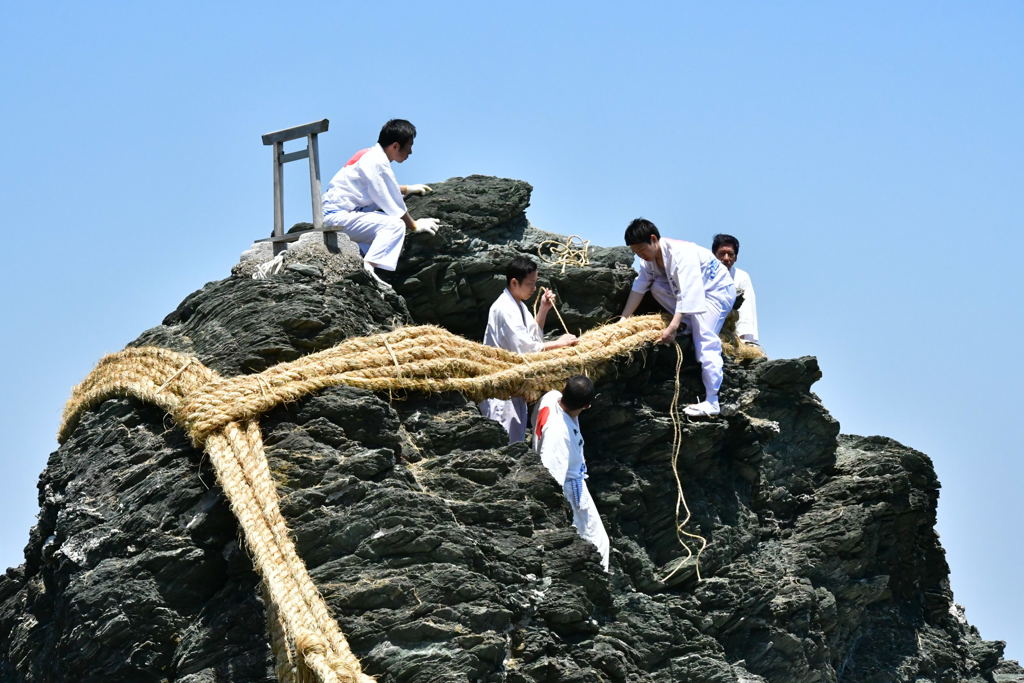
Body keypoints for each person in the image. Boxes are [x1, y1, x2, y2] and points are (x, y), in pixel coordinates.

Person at [620, 218, 736, 417]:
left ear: (653, 239)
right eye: (636, 252)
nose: (640, 256)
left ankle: (712, 400)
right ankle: (688, 325)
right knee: (656, 287)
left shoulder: (682, 254)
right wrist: (623, 319)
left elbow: (689, 294)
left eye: (641, 250)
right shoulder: (649, 259)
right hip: (690, 293)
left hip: (716, 291)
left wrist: (672, 327)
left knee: (705, 339)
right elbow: (639, 286)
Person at [321, 119, 440, 278]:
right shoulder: (378, 162)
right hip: (338, 218)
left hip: (338, 216)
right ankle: (368, 270)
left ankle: (360, 263)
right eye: (409, 146)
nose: (410, 152)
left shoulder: (369, 154)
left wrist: (406, 189)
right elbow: (389, 200)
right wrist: (414, 225)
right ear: (396, 146)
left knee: (381, 236)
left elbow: (376, 188)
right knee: (395, 226)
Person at [479, 256, 579, 442]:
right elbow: (525, 349)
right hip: (502, 388)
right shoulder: (504, 308)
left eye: (535, 283)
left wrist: (543, 309)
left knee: (514, 439)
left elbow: (532, 336)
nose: (534, 288)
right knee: (505, 442)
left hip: (515, 386)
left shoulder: (518, 305)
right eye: (530, 284)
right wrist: (560, 343)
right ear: (514, 282)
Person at [533, 375, 610, 572]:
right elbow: (551, 473)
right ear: (587, 406)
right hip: (570, 486)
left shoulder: (550, 397)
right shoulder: (560, 432)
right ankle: (597, 579)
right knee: (597, 541)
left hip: (573, 478)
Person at [712, 234, 760, 347]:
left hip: (732, 334)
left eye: (731, 254)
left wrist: (744, 340)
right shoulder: (704, 274)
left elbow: (746, 310)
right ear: (713, 255)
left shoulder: (741, 277)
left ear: (736, 257)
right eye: (722, 254)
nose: (726, 258)